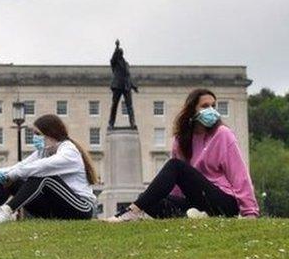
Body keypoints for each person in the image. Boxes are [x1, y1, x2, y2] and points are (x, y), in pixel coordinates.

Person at [108, 88, 259, 222]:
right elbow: (177, 184)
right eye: (205, 106)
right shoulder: (181, 140)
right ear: (192, 111)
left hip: (224, 201)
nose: (211, 110)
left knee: (175, 165)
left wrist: (250, 212)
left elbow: (240, 176)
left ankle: (131, 212)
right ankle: (194, 217)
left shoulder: (223, 134)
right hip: (197, 200)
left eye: (213, 106)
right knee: (149, 199)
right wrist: (168, 199)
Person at [0, 114, 99, 225]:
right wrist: (4, 173)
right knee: (14, 180)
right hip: (55, 209)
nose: (34, 138)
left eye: (38, 134)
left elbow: (42, 167)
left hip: (81, 208)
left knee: (42, 176)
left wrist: (12, 174)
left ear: (51, 133)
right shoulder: (44, 151)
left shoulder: (69, 151)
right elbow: (22, 165)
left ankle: (6, 211)